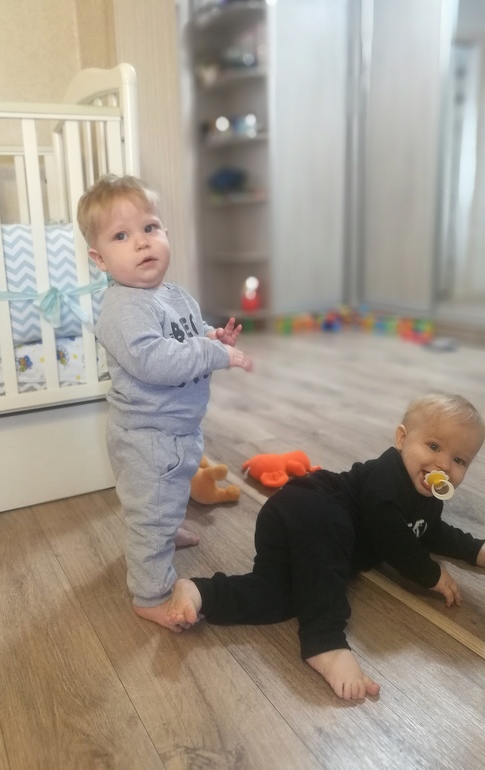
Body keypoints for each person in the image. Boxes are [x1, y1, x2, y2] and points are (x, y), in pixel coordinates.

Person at [164, 393, 485, 702]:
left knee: (282, 596)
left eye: (459, 460)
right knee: (328, 569)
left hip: (307, 539)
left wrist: (474, 549)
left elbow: (429, 530)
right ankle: (325, 641)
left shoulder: (429, 497)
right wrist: (431, 574)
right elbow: (394, 539)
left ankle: (201, 592)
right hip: (314, 506)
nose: (443, 464)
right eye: (433, 446)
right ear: (402, 438)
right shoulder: (386, 476)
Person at [77, 174, 252, 627]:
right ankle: (150, 594)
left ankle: (167, 528)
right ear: (99, 258)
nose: (141, 242)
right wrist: (215, 355)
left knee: (166, 497)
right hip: (148, 438)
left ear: (166, 233)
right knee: (149, 515)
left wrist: (212, 336)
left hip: (176, 428)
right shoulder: (122, 308)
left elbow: (187, 332)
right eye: (121, 236)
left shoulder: (174, 295)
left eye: (150, 228)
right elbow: (153, 360)